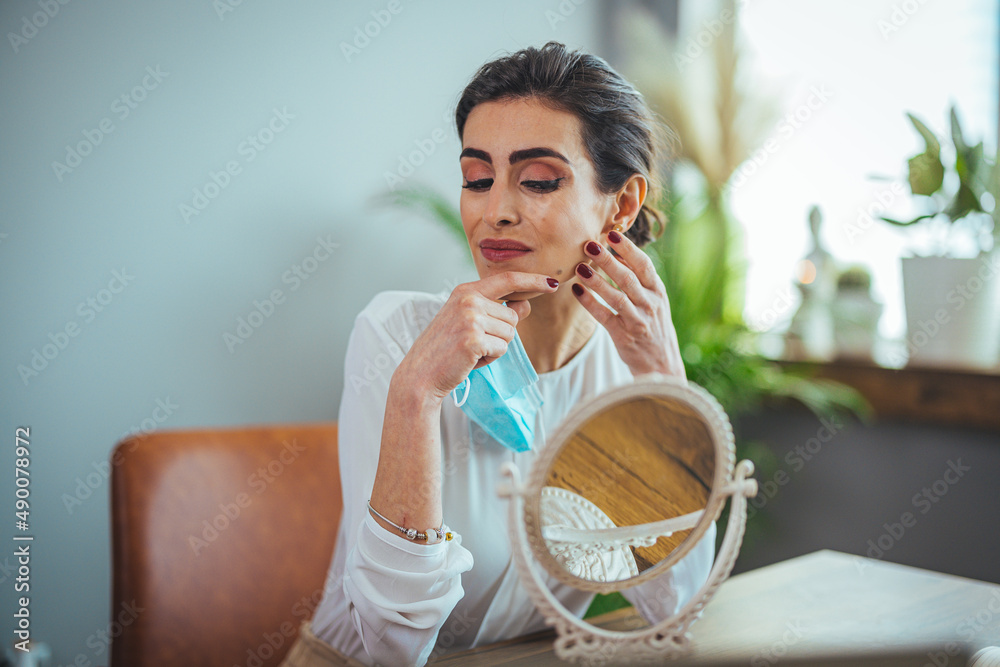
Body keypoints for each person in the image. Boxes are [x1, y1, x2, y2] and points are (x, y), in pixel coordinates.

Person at [281, 41, 715, 667]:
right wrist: (416, 394)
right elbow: (391, 645)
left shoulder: (631, 368)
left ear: (620, 204)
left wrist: (664, 386)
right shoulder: (396, 335)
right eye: (476, 179)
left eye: (538, 181)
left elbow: (674, 608)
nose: (495, 211)